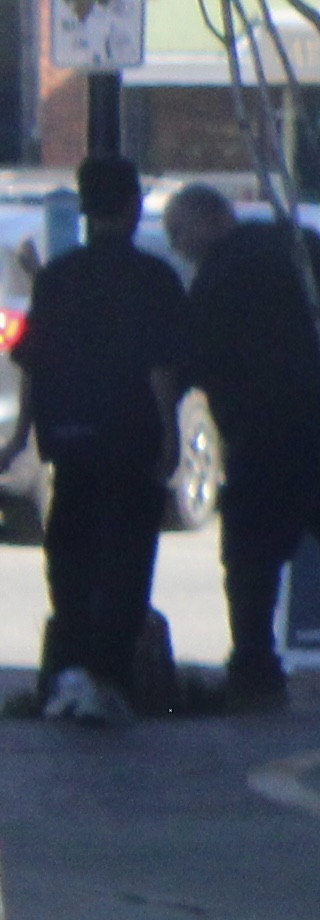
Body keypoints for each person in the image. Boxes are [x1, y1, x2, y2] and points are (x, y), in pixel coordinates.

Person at [11, 158, 186, 726]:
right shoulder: (153, 279)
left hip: (69, 439)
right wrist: (169, 432)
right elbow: (162, 367)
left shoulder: (57, 278)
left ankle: (69, 671)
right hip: (129, 436)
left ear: (85, 211)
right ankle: (109, 679)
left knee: (69, 557)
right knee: (127, 559)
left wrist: (21, 435)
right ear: (134, 208)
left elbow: (34, 364)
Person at [171, 181, 320, 709]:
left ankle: (255, 671)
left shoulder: (218, 278)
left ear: (206, 222)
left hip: (262, 437)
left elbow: (193, 360)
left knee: (249, 562)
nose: (178, 247)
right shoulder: (302, 245)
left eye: (179, 233)